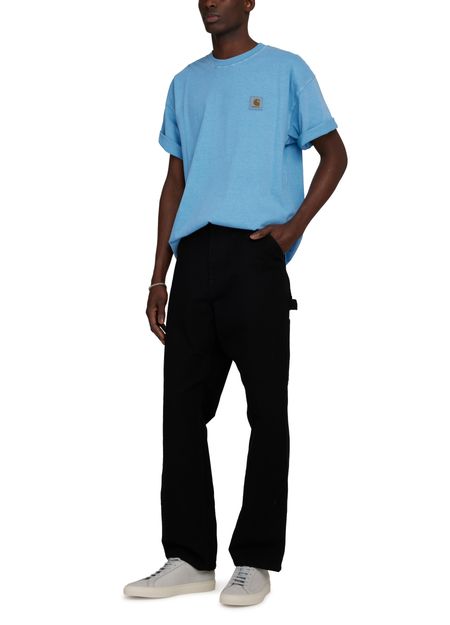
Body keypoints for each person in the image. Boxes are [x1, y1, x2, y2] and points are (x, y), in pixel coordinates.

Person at [124, 0, 347, 607]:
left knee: (265, 412)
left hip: (255, 258)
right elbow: (175, 180)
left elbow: (335, 154)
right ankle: (190, 558)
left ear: (249, 1)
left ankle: (254, 560)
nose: (209, 3)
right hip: (193, 258)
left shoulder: (286, 71)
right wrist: (158, 276)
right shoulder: (185, 83)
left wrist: (292, 228)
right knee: (181, 412)